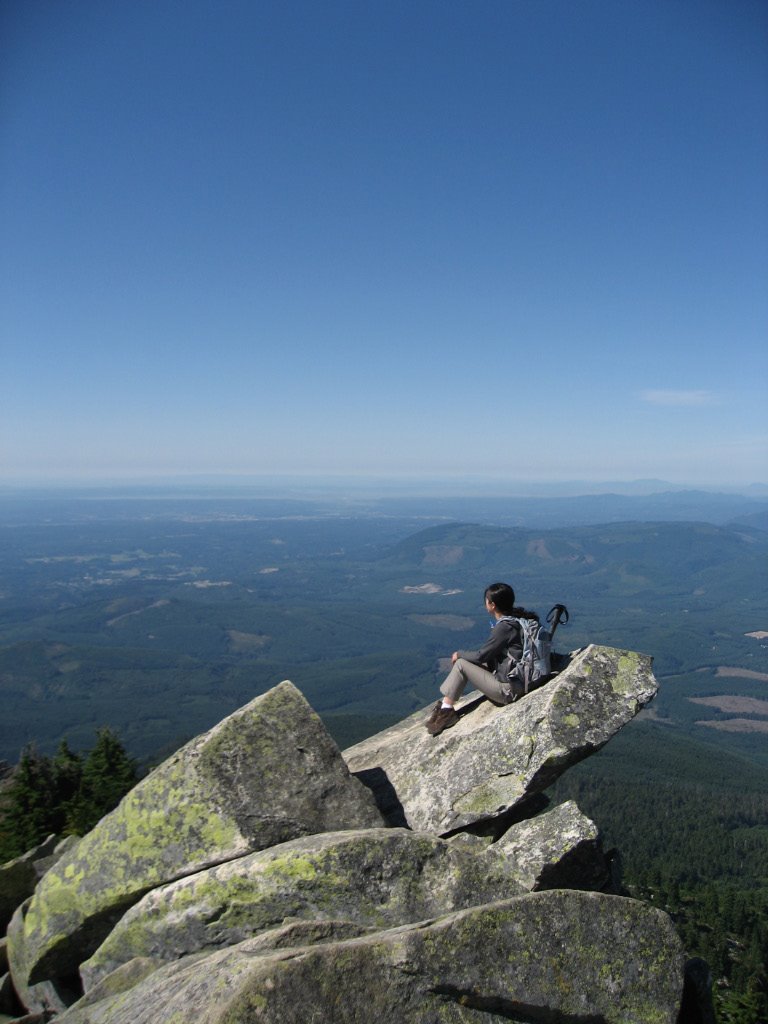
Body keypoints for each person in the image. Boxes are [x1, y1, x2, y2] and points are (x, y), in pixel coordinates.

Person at [425, 581, 540, 736]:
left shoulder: (504, 627)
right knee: (471, 663)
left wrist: (459, 654)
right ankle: (446, 708)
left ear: (492, 605)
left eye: (486, 600)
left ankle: (446, 711)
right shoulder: (519, 619)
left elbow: (481, 656)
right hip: (524, 681)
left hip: (509, 691)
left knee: (461, 664)